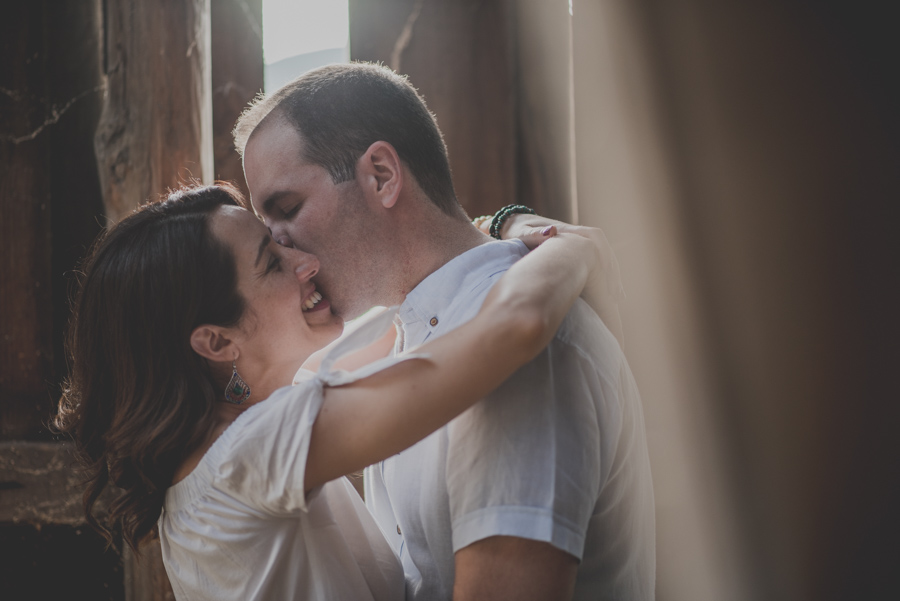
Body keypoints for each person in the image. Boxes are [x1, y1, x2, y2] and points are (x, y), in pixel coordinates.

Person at [54, 183, 608, 600]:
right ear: (217, 341)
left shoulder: (229, 446)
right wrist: (572, 250)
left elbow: (423, 291)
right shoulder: (247, 455)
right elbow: (513, 329)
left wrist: (503, 224)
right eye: (273, 263)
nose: (305, 262)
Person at [234, 62, 656, 601]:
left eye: (288, 209)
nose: (279, 245)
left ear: (381, 176)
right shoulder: (404, 333)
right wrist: (511, 222)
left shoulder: (522, 351)